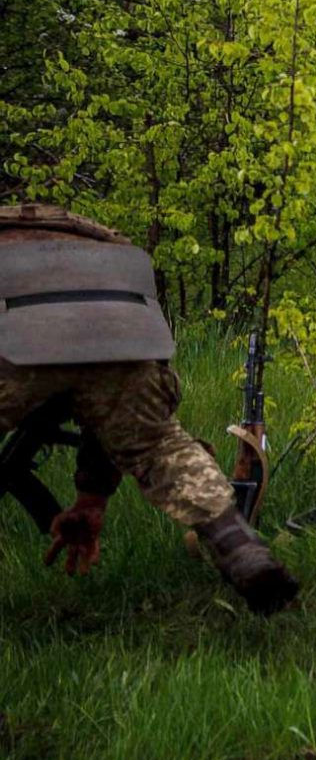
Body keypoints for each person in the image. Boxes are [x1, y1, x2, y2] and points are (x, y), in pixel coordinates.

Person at [0, 204, 297, 612]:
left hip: (12, 319)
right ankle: (240, 548)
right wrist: (92, 497)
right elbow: (106, 402)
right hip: (119, 314)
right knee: (160, 446)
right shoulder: (90, 235)